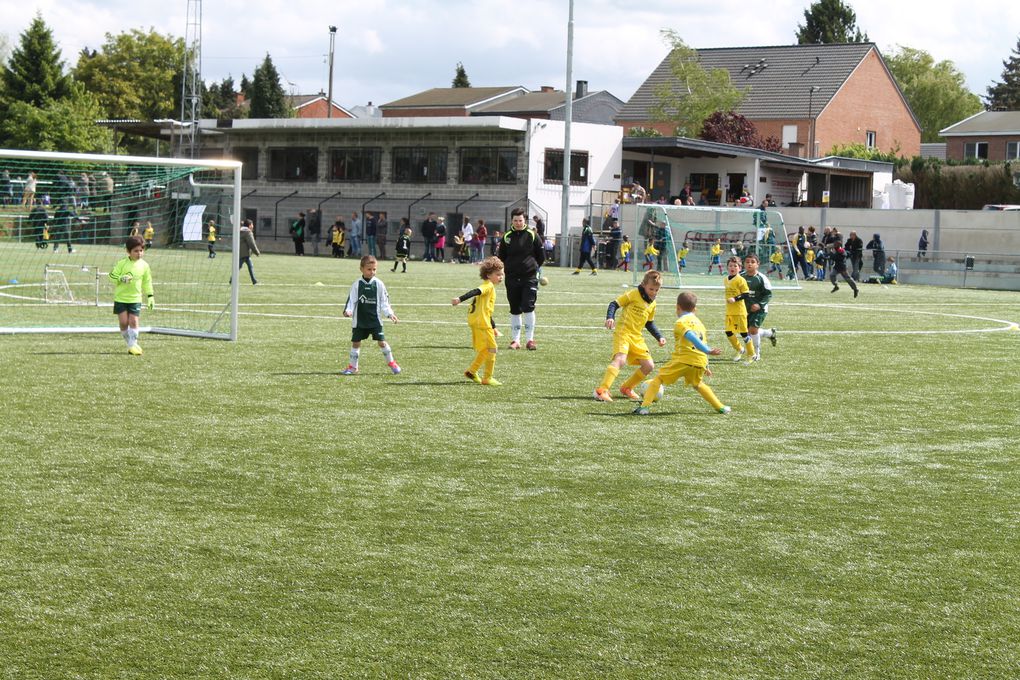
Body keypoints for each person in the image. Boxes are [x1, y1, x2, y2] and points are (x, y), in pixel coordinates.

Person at [633, 291, 728, 416]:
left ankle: (644, 407)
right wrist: (706, 365)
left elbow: (691, 336)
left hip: (684, 360)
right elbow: (701, 340)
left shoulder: (681, 322)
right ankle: (721, 407)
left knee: (658, 379)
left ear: (677, 307)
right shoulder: (700, 324)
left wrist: (707, 350)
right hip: (700, 361)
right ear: (695, 309)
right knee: (698, 384)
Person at [593, 269, 667, 402]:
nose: (654, 293)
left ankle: (626, 388)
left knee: (649, 365)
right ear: (643, 285)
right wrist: (610, 317)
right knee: (620, 359)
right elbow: (614, 304)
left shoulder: (653, 303)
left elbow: (649, 323)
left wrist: (659, 336)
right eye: (651, 289)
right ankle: (602, 390)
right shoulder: (633, 294)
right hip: (623, 332)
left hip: (637, 337)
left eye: (657, 290)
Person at [340, 255, 401, 375]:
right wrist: (348, 311)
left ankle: (392, 363)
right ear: (361, 269)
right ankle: (353, 367)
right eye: (369, 269)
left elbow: (384, 302)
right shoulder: (357, 284)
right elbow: (351, 301)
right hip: (359, 321)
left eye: (374, 269)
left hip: (375, 320)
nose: (372, 272)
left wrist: (390, 314)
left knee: (382, 342)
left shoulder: (379, 284)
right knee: (356, 343)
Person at [451, 256, 505, 386]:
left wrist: (494, 327)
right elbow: (475, 291)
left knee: (486, 349)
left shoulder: (489, 286)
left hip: (478, 321)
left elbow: (487, 311)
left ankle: (471, 371)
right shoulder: (488, 286)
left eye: (502, 274)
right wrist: (460, 299)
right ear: (488, 275)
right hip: (481, 323)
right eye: (498, 274)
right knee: (493, 349)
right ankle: (487, 378)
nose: (501, 277)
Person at [497, 206, 544, 351]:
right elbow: (501, 257)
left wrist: (533, 268)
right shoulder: (507, 236)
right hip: (511, 278)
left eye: (520, 220)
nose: (518, 223)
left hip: (529, 277)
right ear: (512, 220)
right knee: (515, 309)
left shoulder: (532, 235)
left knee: (528, 306)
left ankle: (530, 340)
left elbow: (541, 256)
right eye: (515, 220)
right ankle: (516, 340)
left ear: (525, 220)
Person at [108, 235, 154, 356]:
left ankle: (132, 346)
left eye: (141, 250)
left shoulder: (144, 266)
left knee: (133, 321)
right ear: (128, 251)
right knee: (123, 323)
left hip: (135, 299)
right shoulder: (122, 263)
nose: (139, 253)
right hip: (121, 298)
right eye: (136, 251)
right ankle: (131, 344)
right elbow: (111, 276)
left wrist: (150, 296)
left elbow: (147, 281)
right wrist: (121, 278)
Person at [741, 253, 777, 361]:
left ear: (758, 264)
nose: (749, 264)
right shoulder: (741, 277)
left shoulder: (762, 278)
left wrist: (759, 305)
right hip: (745, 309)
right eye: (747, 262)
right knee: (748, 331)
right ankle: (770, 333)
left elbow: (768, 294)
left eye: (752, 262)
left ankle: (756, 354)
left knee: (752, 330)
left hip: (760, 309)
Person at [723, 256, 754, 363]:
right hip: (729, 311)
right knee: (728, 332)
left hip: (739, 312)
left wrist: (735, 299)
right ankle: (740, 349)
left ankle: (751, 354)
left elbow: (746, 294)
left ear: (739, 268)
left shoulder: (741, 280)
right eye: (730, 266)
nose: (732, 268)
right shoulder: (726, 279)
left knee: (744, 333)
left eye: (735, 266)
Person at [237, 218, 260, 284]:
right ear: (249, 225)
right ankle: (232, 279)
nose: (253, 226)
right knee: (239, 267)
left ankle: (254, 281)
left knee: (250, 266)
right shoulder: (248, 232)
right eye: (252, 224)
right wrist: (257, 252)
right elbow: (252, 243)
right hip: (245, 254)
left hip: (242, 253)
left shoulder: (240, 231)